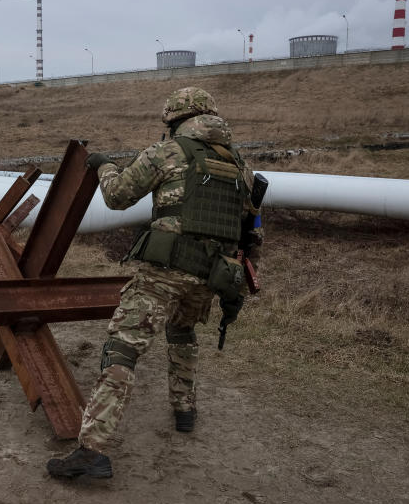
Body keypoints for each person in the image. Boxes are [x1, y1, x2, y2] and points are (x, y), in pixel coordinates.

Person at [47, 87, 263, 479]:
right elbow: (252, 232)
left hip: (165, 268)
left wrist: (104, 166)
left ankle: (93, 449)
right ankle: (184, 410)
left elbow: (116, 197)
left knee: (123, 347)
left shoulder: (167, 152)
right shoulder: (241, 165)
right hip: (212, 273)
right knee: (181, 331)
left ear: (175, 120)